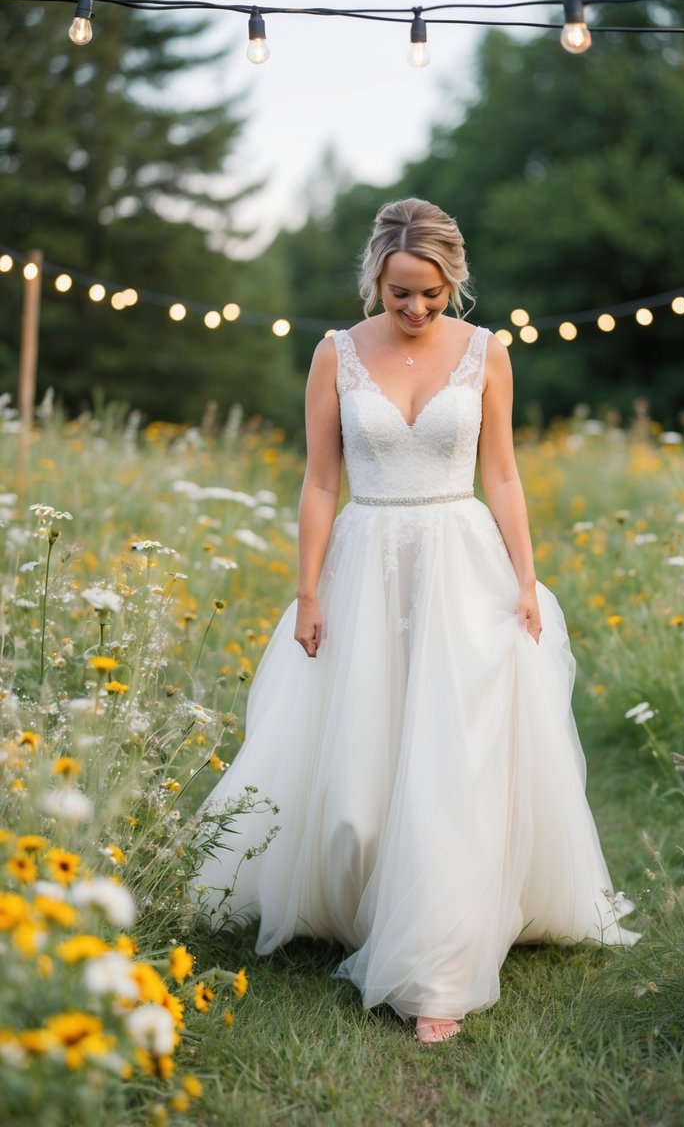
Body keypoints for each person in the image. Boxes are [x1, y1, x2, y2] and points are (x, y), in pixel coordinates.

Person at [194, 197, 639, 1045]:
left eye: (432, 295)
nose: (416, 310)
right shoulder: (335, 355)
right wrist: (309, 590)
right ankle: (365, 897)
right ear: (376, 276)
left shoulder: (486, 354)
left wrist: (525, 577)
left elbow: (501, 475)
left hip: (461, 559)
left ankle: (434, 961)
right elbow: (321, 481)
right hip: (365, 561)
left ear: (452, 283)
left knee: (453, 753)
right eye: (401, 293)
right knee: (363, 756)